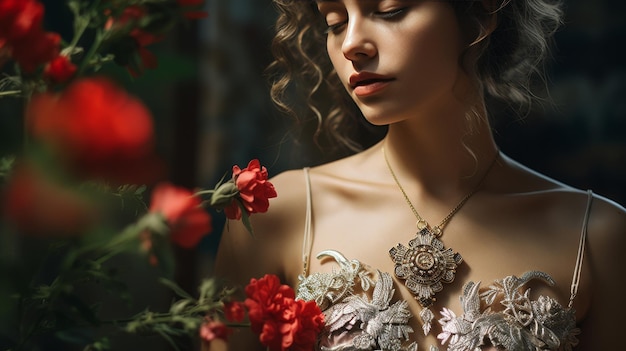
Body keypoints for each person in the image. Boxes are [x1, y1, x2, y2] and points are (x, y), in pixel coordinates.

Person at [210, 0, 626, 350]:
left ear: (479, 14)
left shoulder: (596, 236)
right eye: (334, 23)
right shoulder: (279, 214)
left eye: (390, 10)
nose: (352, 43)